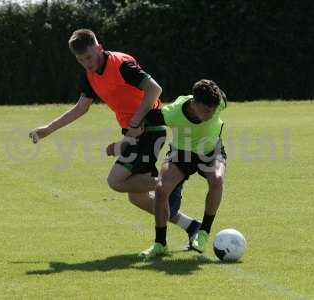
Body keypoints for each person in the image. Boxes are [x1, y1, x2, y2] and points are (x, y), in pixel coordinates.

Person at [28, 29, 201, 245]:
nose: (87, 64)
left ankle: (169, 183)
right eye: (81, 60)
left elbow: (154, 89)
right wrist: (48, 129)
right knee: (137, 196)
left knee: (117, 181)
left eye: (89, 57)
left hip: (150, 128)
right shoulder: (89, 76)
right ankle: (192, 226)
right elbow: (81, 108)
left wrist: (136, 122)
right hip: (133, 132)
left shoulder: (121, 65)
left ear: (98, 48)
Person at [138, 79, 227, 259]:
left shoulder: (219, 102)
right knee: (161, 190)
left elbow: (219, 97)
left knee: (217, 180)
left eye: (213, 111)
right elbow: (147, 117)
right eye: (206, 111)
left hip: (211, 151)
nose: (210, 115)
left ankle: (203, 233)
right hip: (181, 153)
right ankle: (160, 243)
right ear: (193, 104)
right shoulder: (172, 112)